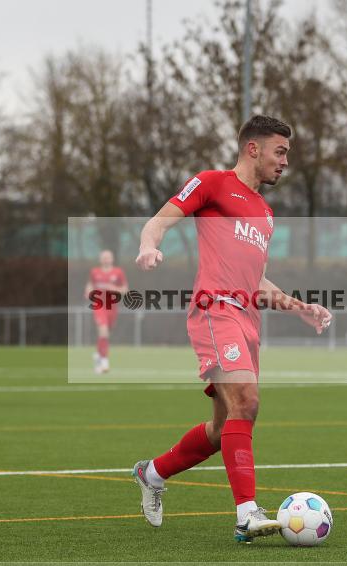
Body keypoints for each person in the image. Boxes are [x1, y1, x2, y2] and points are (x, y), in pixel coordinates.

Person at [131, 115, 332, 543]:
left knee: (223, 428)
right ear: (252, 149)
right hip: (214, 310)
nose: (285, 162)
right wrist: (149, 246)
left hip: (247, 320)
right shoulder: (212, 183)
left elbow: (255, 280)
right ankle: (246, 514)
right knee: (248, 399)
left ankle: (152, 472)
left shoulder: (265, 212)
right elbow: (160, 220)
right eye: (280, 152)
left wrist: (300, 309)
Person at [84, 250, 128, 374]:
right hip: (99, 305)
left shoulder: (118, 272)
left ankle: (98, 354)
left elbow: (125, 290)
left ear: (112, 259)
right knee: (103, 331)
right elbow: (90, 285)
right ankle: (104, 360)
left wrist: (114, 289)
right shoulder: (95, 272)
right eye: (104, 257)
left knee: (105, 334)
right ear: (100, 259)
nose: (106, 259)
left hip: (112, 306)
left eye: (108, 257)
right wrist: (88, 291)